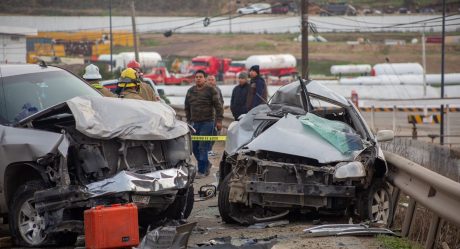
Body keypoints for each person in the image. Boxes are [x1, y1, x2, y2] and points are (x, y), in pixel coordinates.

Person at [185, 70, 223, 178]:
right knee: (194, 147)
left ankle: (201, 171)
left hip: (207, 123)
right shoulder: (190, 91)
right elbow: (187, 107)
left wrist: (219, 120)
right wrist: (189, 121)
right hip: (194, 123)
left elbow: (218, 106)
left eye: (200, 77)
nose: (198, 78)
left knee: (203, 146)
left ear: (205, 78)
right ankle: (207, 164)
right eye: (196, 77)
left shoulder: (211, 90)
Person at [206, 75, 223, 157]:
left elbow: (221, 102)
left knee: (214, 134)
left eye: (212, 80)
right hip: (206, 117)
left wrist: (220, 118)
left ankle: (209, 149)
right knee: (206, 135)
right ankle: (207, 151)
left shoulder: (218, 90)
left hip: (216, 117)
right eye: (209, 80)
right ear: (206, 81)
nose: (211, 81)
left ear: (215, 81)